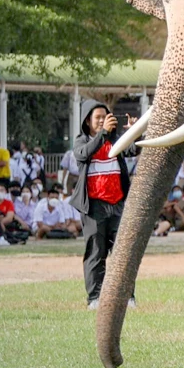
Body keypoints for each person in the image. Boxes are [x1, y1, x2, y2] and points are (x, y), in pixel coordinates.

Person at [69, 99, 139, 310]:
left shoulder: (116, 140)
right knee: (95, 252)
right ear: (87, 121)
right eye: (97, 118)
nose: (101, 121)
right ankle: (95, 298)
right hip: (94, 207)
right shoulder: (82, 141)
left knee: (123, 252)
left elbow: (133, 150)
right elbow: (84, 154)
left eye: (104, 117)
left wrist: (134, 131)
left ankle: (127, 297)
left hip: (117, 203)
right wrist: (103, 134)